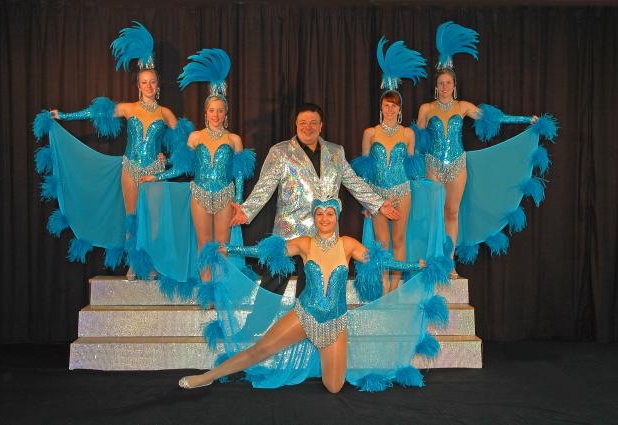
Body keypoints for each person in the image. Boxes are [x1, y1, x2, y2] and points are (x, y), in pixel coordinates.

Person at [179, 197, 443, 393]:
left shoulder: (348, 244)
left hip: (336, 322)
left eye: (330, 213)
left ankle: (321, 362)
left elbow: (380, 261)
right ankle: (207, 376)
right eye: (319, 214)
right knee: (260, 349)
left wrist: (414, 266)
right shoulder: (306, 243)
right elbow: (268, 251)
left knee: (334, 387)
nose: (325, 218)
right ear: (314, 218)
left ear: (337, 216)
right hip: (304, 316)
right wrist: (233, 249)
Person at [33, 22, 192, 276]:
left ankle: (152, 263)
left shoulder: (166, 113)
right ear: (138, 86)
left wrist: (168, 160)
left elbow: (186, 148)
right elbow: (97, 112)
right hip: (130, 168)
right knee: (132, 216)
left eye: (152, 82)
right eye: (144, 82)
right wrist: (63, 115)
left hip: (154, 170)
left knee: (153, 220)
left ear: (158, 86)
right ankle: (134, 263)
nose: (149, 86)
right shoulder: (129, 108)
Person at [415, 21, 556, 274]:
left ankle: (449, 264)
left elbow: (494, 119)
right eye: (441, 83)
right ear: (436, 86)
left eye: (448, 83)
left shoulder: (462, 107)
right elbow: (416, 141)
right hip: (432, 165)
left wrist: (526, 119)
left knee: (451, 213)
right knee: (434, 215)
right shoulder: (426, 109)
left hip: (457, 165)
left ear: (454, 85)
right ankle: (432, 261)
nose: (445, 87)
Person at [230, 103, 400, 296]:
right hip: (288, 234)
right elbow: (264, 186)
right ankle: (260, 318)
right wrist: (246, 211)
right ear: (296, 125)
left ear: (321, 126)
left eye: (313, 123)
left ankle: (304, 317)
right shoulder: (280, 152)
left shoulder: (336, 152)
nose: (307, 127)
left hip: (322, 236)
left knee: (311, 296)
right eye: (303, 122)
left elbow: (354, 182)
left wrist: (378, 203)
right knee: (269, 293)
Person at [140, 48, 255, 282]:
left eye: (220, 111)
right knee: (203, 243)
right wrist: (157, 176)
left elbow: (239, 174)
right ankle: (206, 287)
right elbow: (183, 167)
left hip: (225, 195)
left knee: (221, 245)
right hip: (199, 193)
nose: (215, 115)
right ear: (206, 113)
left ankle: (220, 289)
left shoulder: (234, 140)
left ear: (226, 114)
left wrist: (238, 201)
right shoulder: (195, 137)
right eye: (212, 111)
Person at [352, 37, 427, 294]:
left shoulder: (408, 134)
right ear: (381, 107)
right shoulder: (370, 133)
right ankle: (384, 284)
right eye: (387, 105)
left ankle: (396, 283)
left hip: (402, 192)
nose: (390, 109)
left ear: (400, 108)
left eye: (394, 105)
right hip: (377, 194)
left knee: (398, 238)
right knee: (382, 241)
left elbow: (413, 167)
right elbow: (364, 172)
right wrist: (367, 202)